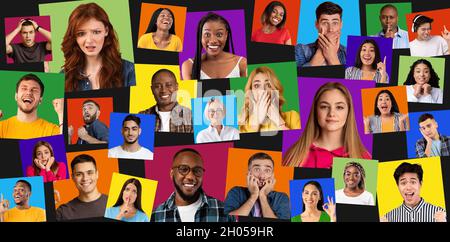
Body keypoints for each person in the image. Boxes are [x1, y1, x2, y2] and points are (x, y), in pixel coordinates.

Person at [283, 82, 371, 168]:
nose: (331, 113)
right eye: (324, 107)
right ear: (315, 111)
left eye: (339, 107)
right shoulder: (294, 155)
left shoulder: (364, 158)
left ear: (348, 112)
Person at [61, 2, 136, 91]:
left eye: (96, 32)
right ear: (74, 36)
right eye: (81, 34)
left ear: (106, 31)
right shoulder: (63, 77)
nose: (89, 40)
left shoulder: (130, 71)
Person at [151, 148, 233, 222]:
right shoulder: (155, 216)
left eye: (197, 171)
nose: (191, 177)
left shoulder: (225, 211)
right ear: (172, 173)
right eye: (183, 169)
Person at [181, 12, 247, 80]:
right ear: (200, 36)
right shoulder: (189, 66)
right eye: (207, 34)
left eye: (219, 34)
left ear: (226, 35)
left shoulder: (242, 64)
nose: (213, 41)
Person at [224, 152, 290, 219]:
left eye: (267, 170)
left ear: (272, 175)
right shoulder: (236, 192)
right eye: (257, 169)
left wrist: (262, 196)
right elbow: (228, 219)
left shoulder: (281, 198)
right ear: (249, 173)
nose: (262, 176)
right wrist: (253, 196)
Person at [0, 73, 63, 139]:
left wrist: (61, 114)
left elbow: (62, 148)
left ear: (40, 100)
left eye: (34, 90)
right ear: (16, 96)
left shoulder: (52, 130)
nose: (29, 93)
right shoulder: (1, 127)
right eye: (24, 88)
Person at [238, 66, 300, 132]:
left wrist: (280, 122)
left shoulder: (293, 117)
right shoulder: (241, 125)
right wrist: (256, 122)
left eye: (268, 85)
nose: (263, 90)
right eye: (257, 85)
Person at [381, 162, 446, 222]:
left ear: (420, 184)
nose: (408, 188)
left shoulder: (441, 214)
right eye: (403, 183)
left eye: (413, 182)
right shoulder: (388, 218)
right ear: (398, 186)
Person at [56, 154, 108, 221]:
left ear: (97, 174)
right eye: (79, 174)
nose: (85, 178)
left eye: (89, 173)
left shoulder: (115, 205)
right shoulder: (63, 212)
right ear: (73, 177)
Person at [295, 1, 346, 67]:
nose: (330, 29)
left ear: (341, 25)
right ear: (317, 24)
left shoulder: (350, 54)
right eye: (325, 23)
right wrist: (321, 52)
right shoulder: (300, 50)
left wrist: (333, 58)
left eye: (335, 23)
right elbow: (292, 77)